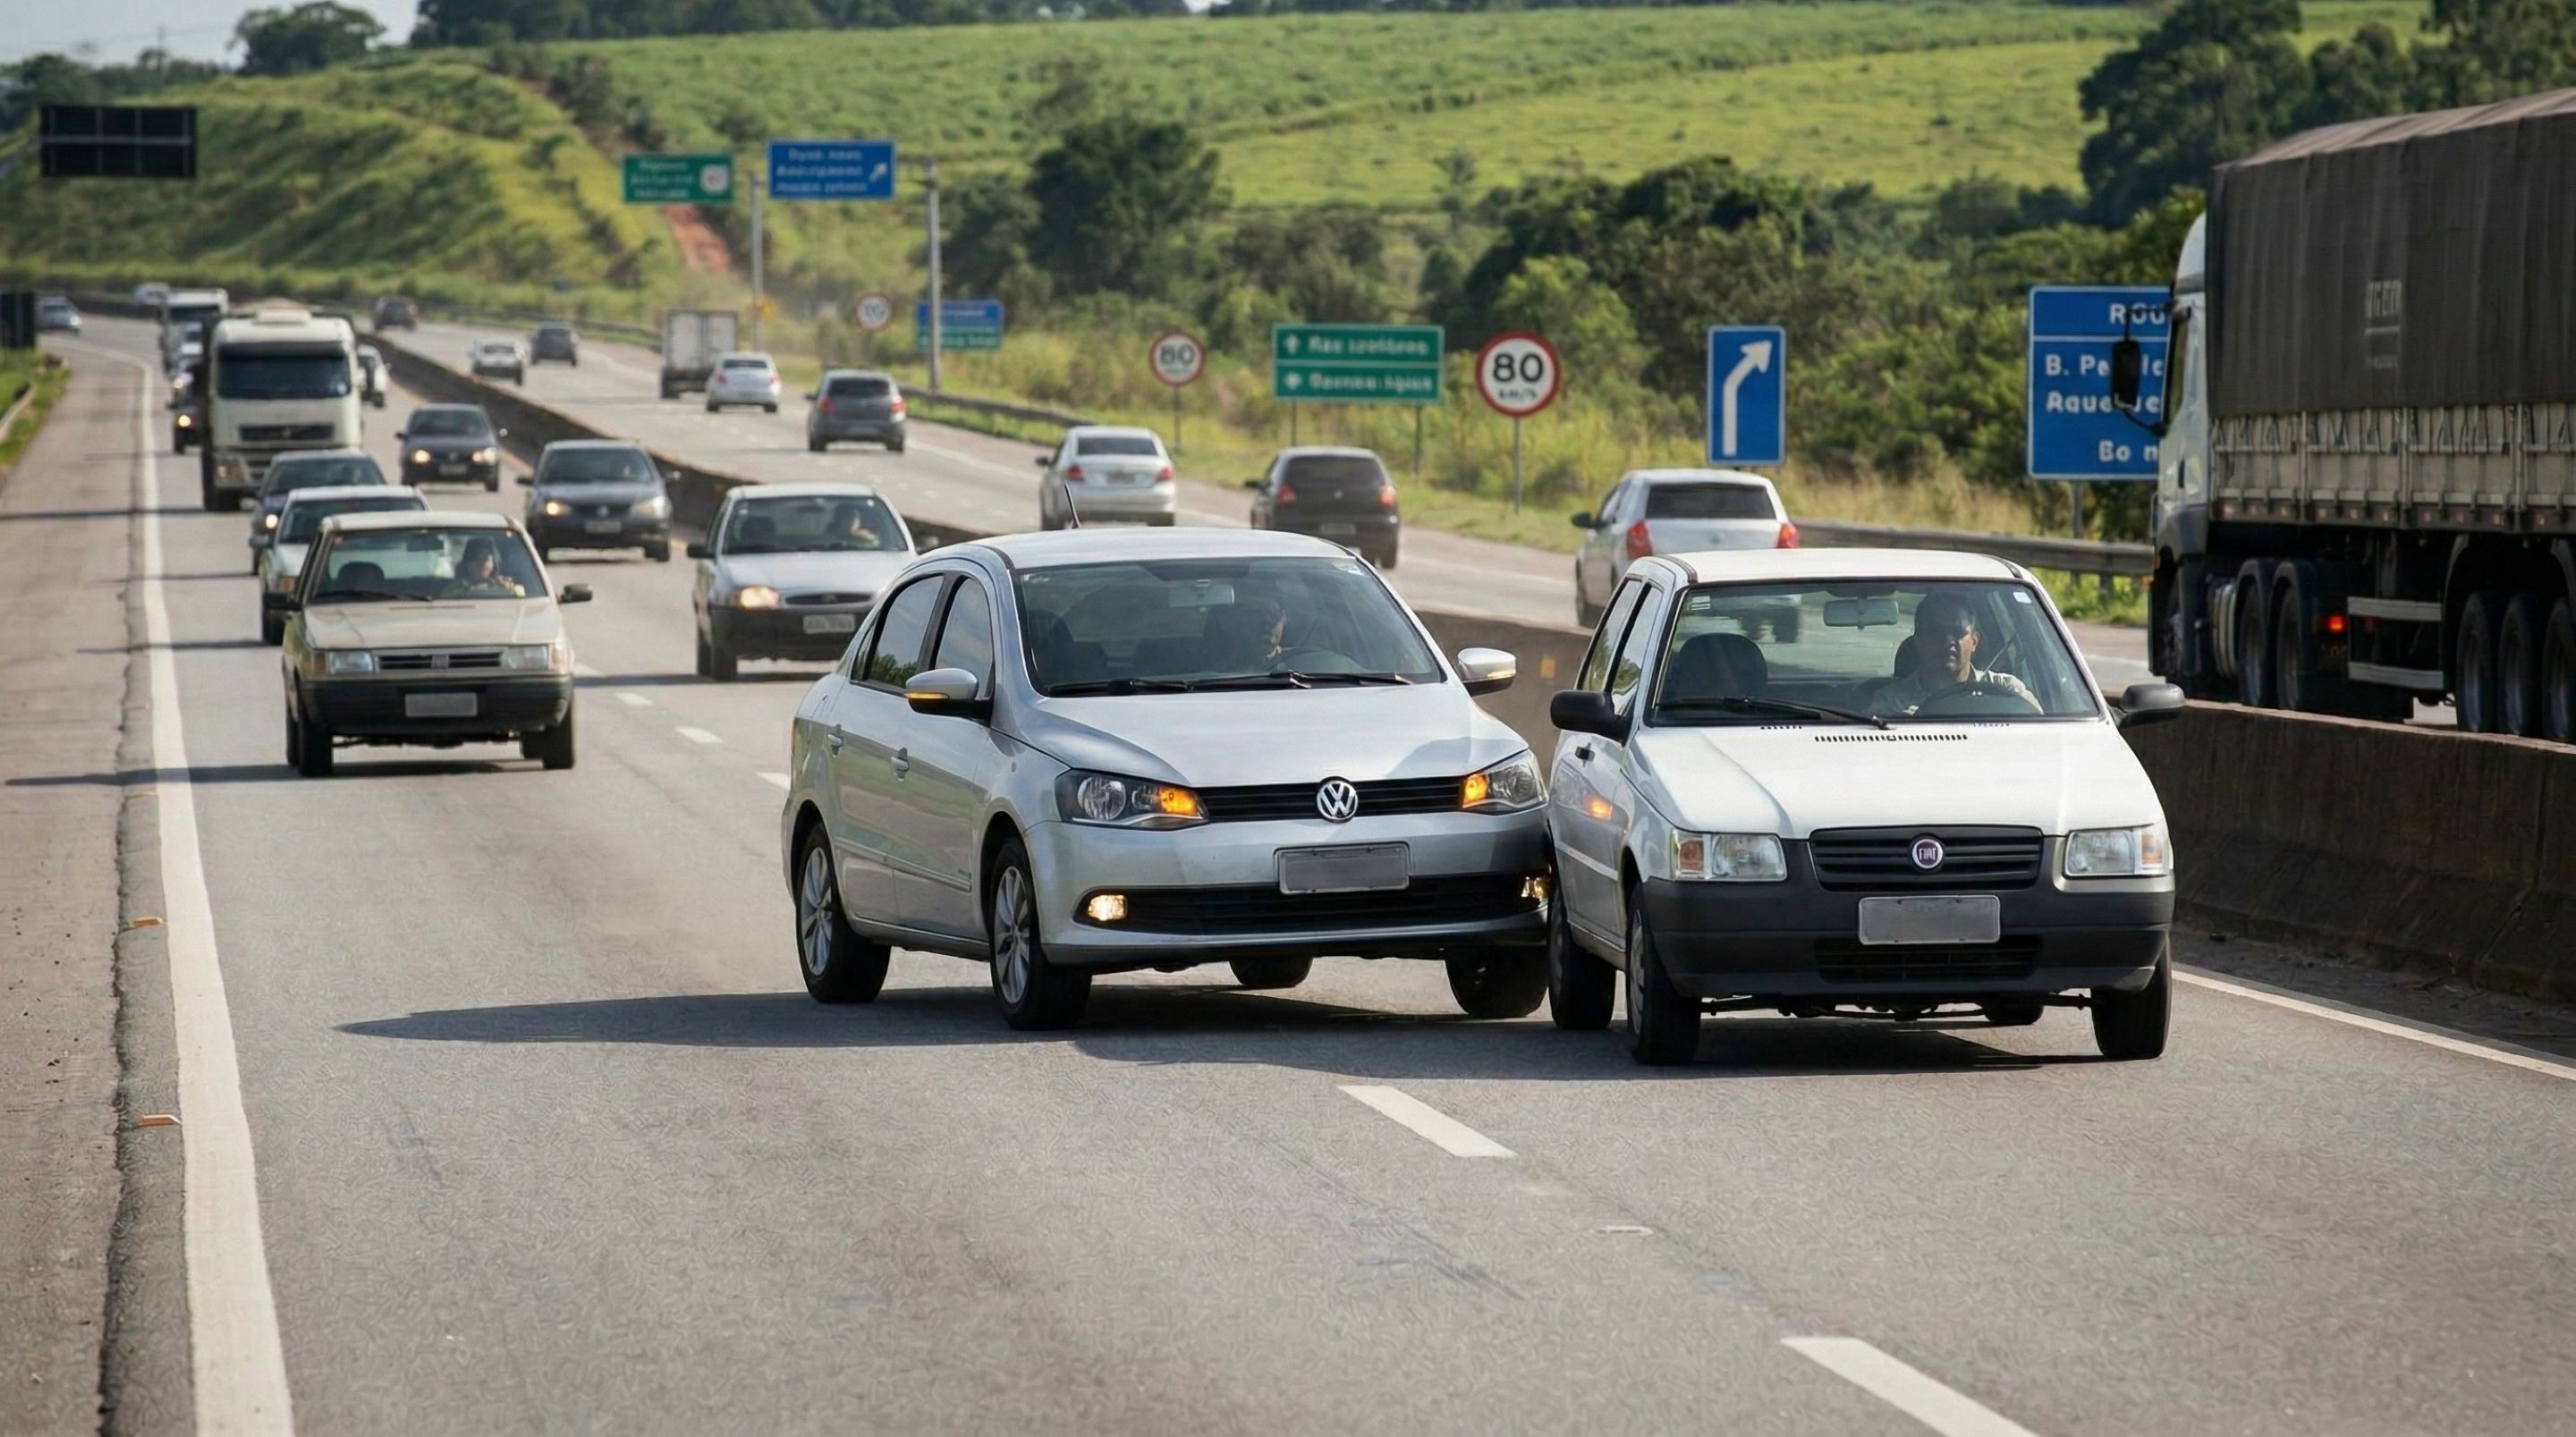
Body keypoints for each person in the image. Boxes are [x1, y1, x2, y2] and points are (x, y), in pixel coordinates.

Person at [1869, 594, 2038, 716]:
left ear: (1975, 642)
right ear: (1918, 641)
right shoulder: (1891, 702)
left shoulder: (2007, 690)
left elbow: (2042, 732)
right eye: (1936, 632)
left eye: (1957, 632)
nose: (1947, 640)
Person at [1210, 592, 1288, 674]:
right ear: (1240, 623)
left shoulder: (1298, 665)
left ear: (1284, 621)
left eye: (1273, 613)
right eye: (1258, 613)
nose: (1267, 621)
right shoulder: (1216, 675)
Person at [444, 537, 525, 599]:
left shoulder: (505, 584)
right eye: (475, 558)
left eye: (485, 558)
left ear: (494, 563)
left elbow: (522, 597)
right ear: (467, 563)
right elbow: (445, 601)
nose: (481, 563)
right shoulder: (456, 587)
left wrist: (507, 588)